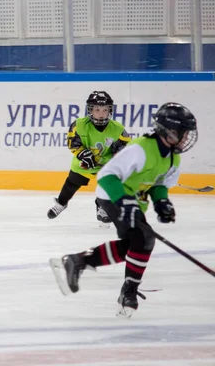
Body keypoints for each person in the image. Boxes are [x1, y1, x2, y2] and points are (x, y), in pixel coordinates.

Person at [49, 102, 198, 318]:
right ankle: (128, 291)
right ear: (168, 131)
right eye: (182, 132)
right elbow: (106, 176)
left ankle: (80, 261)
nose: (186, 138)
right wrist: (124, 200)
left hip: (133, 202)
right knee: (143, 238)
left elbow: (158, 185)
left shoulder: (173, 157)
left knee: (136, 242)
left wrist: (161, 202)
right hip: (112, 196)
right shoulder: (140, 148)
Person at [47, 91, 130, 227]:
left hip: (105, 164)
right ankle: (61, 203)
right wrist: (82, 153)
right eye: (97, 109)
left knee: (108, 184)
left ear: (110, 110)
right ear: (90, 110)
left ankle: (102, 207)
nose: (101, 113)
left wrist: (117, 159)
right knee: (71, 183)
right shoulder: (79, 125)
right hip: (83, 163)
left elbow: (124, 146)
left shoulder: (118, 129)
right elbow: (72, 141)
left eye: (105, 109)